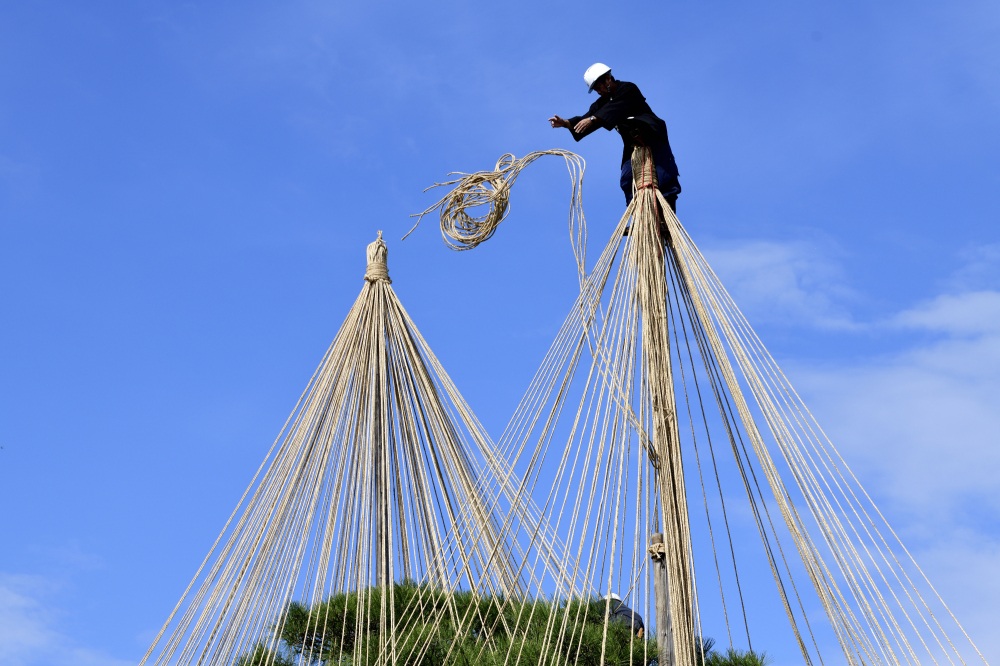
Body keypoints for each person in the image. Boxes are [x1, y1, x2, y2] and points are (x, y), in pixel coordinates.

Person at [549, 63, 681, 211]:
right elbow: (587, 118)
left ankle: (667, 214)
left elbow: (616, 107)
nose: (598, 91)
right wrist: (567, 123)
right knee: (627, 179)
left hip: (652, 136)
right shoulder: (601, 104)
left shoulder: (628, 89)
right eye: (596, 89)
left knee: (664, 174)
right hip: (632, 144)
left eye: (599, 86)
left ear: (608, 79)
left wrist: (593, 119)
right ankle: (638, 216)